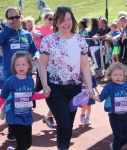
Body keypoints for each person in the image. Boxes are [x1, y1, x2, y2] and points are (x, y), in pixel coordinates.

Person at [38, 6, 93, 150]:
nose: (66, 23)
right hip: (54, 88)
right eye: (62, 20)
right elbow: (42, 65)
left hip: (74, 89)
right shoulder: (48, 40)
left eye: (69, 19)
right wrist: (45, 85)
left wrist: (89, 86)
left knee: (68, 124)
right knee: (64, 124)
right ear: (56, 22)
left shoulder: (80, 40)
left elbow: (85, 65)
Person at [0, 6, 37, 141]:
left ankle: (23, 127)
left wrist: (37, 55)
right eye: (11, 18)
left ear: (21, 17)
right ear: (7, 20)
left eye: (17, 17)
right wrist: (6, 29)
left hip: (27, 76)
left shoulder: (27, 34)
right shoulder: (4, 33)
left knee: (25, 102)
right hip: (11, 76)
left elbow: (34, 50)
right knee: (12, 103)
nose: (14, 20)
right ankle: (11, 129)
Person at [0, 51, 45, 150]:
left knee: (28, 144)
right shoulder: (10, 81)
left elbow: (31, 96)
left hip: (26, 116)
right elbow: (2, 97)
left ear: (29, 66)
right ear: (13, 66)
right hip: (13, 117)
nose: (20, 67)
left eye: (23, 64)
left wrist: (44, 95)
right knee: (22, 145)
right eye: (17, 65)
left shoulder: (30, 80)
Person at [91, 62, 127, 150]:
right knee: (118, 136)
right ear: (110, 75)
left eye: (120, 75)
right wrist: (92, 96)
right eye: (115, 75)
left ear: (124, 75)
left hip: (125, 116)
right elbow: (100, 98)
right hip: (114, 116)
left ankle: (115, 146)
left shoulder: (125, 85)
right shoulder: (109, 86)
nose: (118, 77)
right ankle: (116, 147)